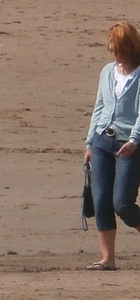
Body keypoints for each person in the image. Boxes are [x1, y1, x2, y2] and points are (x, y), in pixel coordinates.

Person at [84, 21, 140, 270]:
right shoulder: (107, 71)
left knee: (123, 203)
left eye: (116, 46)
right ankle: (108, 259)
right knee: (101, 200)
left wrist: (134, 140)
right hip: (102, 142)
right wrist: (89, 143)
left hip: (130, 144)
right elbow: (99, 107)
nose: (112, 51)